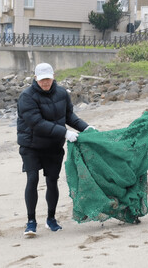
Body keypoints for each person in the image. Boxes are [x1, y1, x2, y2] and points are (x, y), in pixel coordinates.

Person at [17, 63, 94, 237]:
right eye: (42, 79)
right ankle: (31, 222)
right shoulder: (26, 97)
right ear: (36, 78)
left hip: (53, 146)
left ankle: (51, 219)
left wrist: (86, 128)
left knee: (52, 180)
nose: (46, 83)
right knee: (33, 179)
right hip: (31, 146)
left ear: (53, 77)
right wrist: (65, 132)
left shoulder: (61, 93)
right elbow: (36, 123)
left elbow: (69, 116)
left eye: (48, 79)